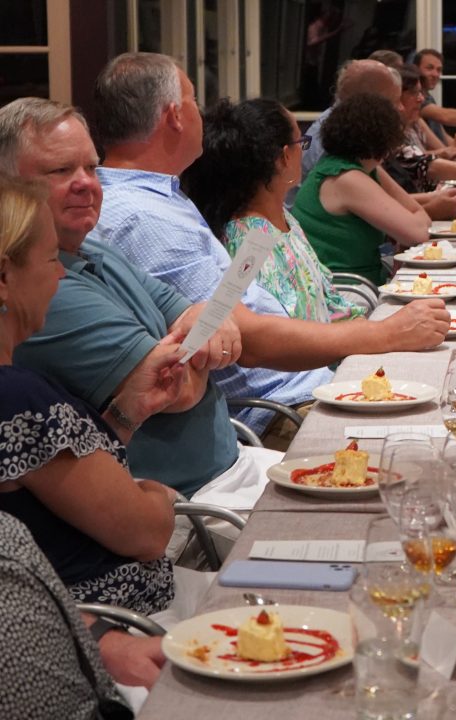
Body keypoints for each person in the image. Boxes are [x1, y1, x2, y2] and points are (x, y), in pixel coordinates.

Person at [89, 53, 448, 450]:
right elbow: (248, 337)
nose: (201, 115)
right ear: (175, 115)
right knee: (432, 440)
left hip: (302, 384)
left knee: (443, 389)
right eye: (194, 100)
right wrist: (383, 333)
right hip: (282, 407)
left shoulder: (163, 199)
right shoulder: (148, 217)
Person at [0, 97, 252, 502]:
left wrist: (197, 326)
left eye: (91, 167)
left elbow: (192, 311)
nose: (86, 183)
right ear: (9, 187)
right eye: (61, 170)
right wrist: (198, 339)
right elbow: (176, 388)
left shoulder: (93, 248)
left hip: (232, 467)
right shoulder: (43, 288)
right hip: (191, 504)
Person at [0, 173, 180, 615]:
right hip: (119, 627)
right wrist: (159, 497)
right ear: (4, 276)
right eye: (50, 260)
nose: (61, 273)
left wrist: (127, 412)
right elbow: (146, 534)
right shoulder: (16, 396)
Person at [181, 98, 368, 322]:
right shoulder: (249, 241)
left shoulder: (283, 218)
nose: (303, 151)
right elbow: (279, 331)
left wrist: (363, 326)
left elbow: (327, 297)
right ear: (284, 157)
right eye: (301, 142)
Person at [0, 510, 149, 717]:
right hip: (131, 595)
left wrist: (101, 637)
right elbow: (151, 536)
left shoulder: (9, 531)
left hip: (107, 694)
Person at [293, 92, 431, 284]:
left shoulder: (353, 167)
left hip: (361, 281)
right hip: (345, 290)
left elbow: (418, 216)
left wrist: (413, 224)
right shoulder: (347, 178)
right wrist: (410, 228)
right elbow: (418, 232)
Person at [385, 64, 456, 207]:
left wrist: (450, 150)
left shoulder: (414, 120)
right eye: (414, 93)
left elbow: (430, 157)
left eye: (421, 92)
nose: (421, 99)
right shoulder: (390, 135)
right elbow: (424, 164)